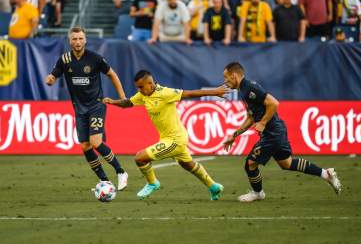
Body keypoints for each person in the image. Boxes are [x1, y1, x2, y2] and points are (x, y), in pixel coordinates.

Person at [222, 62, 342, 202]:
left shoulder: (249, 87)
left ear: (234, 75)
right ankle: (325, 174)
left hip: (271, 133)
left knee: (250, 164)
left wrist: (263, 122)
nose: (225, 81)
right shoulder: (244, 90)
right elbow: (250, 118)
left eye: (226, 77)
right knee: (287, 163)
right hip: (276, 131)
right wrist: (235, 135)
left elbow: (274, 103)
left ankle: (258, 193)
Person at [103, 70, 227, 200]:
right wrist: (112, 102)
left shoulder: (165, 93)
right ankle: (214, 187)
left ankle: (152, 183)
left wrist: (214, 92)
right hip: (170, 137)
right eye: (137, 87)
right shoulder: (143, 94)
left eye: (141, 87)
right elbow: (128, 103)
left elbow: (189, 94)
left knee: (140, 158)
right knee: (187, 164)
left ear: (150, 84)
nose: (139, 90)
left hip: (175, 139)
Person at [45, 27, 129, 191]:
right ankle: (104, 180)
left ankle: (121, 172)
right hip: (79, 108)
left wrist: (123, 98)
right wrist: (50, 79)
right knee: (85, 146)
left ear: (85, 40)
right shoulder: (65, 59)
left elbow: (112, 74)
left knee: (95, 141)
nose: (77, 42)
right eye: (74, 39)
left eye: (80, 38)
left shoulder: (95, 58)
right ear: (70, 41)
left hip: (96, 104)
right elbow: (54, 74)